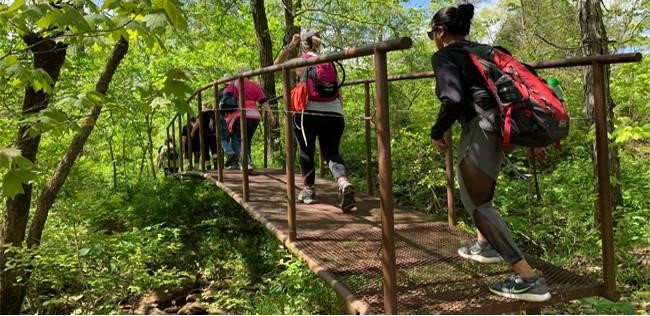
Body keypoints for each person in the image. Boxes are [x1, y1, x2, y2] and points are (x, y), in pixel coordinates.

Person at [428, 4, 551, 302]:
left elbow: (453, 97)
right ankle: (484, 245)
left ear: (442, 32)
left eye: (432, 33)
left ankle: (529, 278)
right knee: (482, 195)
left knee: (478, 205)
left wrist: (436, 130)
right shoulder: (485, 51)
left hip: (479, 129)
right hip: (500, 128)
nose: (432, 38)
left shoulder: (444, 56)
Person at [274, 28, 356, 212]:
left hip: (307, 115)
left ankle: (308, 191)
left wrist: (290, 46)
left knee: (306, 151)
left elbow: (276, 65)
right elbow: (339, 93)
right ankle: (342, 182)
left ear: (303, 44)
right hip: (335, 115)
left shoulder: (302, 61)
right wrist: (338, 111)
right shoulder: (329, 63)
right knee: (331, 152)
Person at [222, 68, 277, 171]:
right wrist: (271, 115)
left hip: (240, 115)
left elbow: (226, 98)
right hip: (255, 117)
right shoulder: (255, 85)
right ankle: (249, 162)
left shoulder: (233, 84)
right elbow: (263, 101)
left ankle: (247, 163)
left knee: (237, 139)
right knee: (247, 140)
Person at [192, 104, 219, 170]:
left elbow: (196, 125)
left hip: (204, 136)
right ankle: (216, 165)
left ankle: (208, 167)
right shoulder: (213, 113)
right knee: (214, 150)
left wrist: (192, 133)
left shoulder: (201, 113)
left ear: (204, 107)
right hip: (213, 134)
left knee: (205, 151)